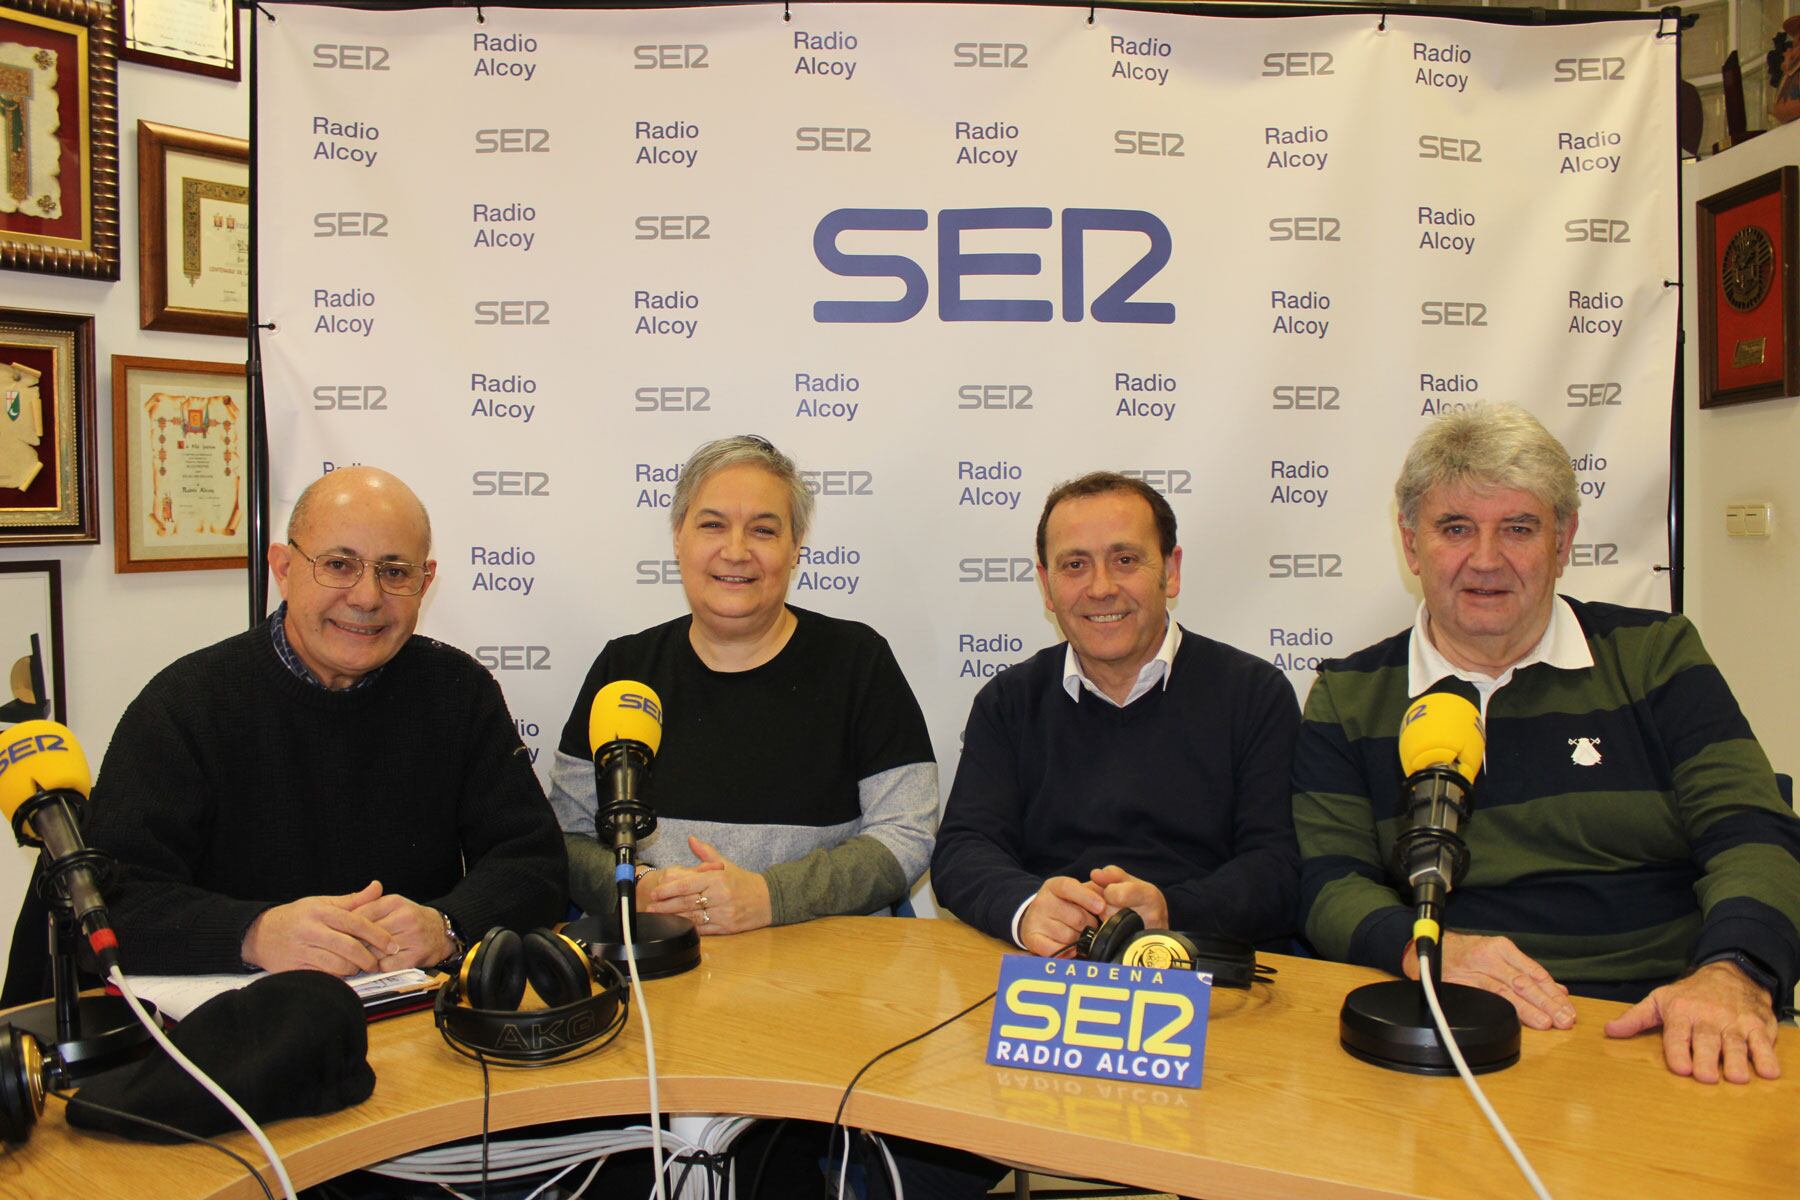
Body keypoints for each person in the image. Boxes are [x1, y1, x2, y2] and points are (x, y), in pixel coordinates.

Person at [1293, 402, 1800, 1085]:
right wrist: (1426, 952)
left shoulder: (1655, 655)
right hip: (1454, 1025)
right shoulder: (1349, 695)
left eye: (1519, 528)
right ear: (1412, 545)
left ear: (1563, 542)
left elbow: (1754, 834)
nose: (1486, 559)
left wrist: (1733, 971)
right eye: (1455, 528)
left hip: (1656, 1024)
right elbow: (1328, 880)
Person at [6, 466, 567, 992]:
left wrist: (448, 924)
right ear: (282, 569)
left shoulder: (458, 690)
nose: (367, 597)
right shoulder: (186, 705)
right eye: (339, 565)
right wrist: (253, 934)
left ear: (425, 583)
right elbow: (104, 906)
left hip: (415, 1020)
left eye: (395, 572)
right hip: (234, 1029)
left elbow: (534, 863)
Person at [907, 471, 1299, 1199]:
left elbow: (1278, 868)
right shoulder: (1009, 702)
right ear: (1046, 586)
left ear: (1170, 571)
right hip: (1043, 1001)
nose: (1100, 588)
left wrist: (1170, 912)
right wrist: (1030, 908)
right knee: (903, 1154)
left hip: (1205, 1001)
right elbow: (962, 850)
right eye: (1074, 565)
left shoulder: (1253, 695)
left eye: (1125, 559)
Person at [550, 434, 936, 932]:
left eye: (763, 530)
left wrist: (770, 897)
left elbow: (906, 833)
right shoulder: (623, 669)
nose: (735, 552)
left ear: (795, 547)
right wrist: (640, 886)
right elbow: (564, 837)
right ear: (678, 538)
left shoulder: (859, 662)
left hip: (823, 961)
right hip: (656, 958)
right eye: (712, 525)